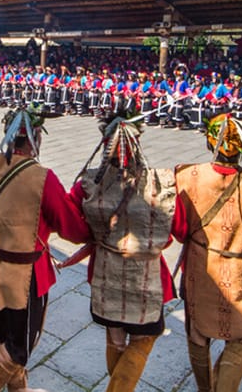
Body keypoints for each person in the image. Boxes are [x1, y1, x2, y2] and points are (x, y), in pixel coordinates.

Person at [0, 108, 91, 392]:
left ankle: (18, 388)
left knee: (5, 334)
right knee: (20, 347)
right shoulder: (42, 177)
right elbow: (71, 228)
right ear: (36, 137)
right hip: (26, 276)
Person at [64, 115, 177, 392]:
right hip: (146, 275)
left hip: (106, 272)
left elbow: (73, 228)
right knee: (144, 337)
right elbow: (171, 233)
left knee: (115, 340)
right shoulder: (160, 184)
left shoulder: (88, 185)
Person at [172, 113, 242, 392]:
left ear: (210, 142)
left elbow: (180, 230)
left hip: (199, 264)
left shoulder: (185, 176)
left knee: (197, 334)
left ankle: (206, 388)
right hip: (237, 266)